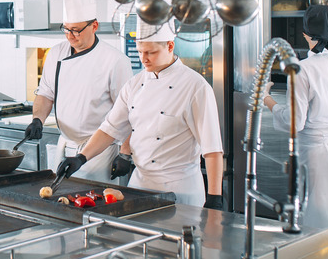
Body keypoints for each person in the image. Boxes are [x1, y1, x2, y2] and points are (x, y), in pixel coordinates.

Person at [56, 20, 224, 208]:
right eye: (140, 52)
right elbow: (109, 129)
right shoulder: (134, 85)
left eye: (151, 53)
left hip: (180, 188)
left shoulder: (196, 87)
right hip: (140, 184)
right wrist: (81, 157)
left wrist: (215, 197)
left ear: (170, 46)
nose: (143, 59)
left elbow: (212, 149)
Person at [262, 5, 328, 234]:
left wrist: (267, 99)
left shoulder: (301, 70)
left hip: (320, 154)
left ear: (305, 34)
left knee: (320, 227)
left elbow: (294, 122)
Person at [24, 0, 132, 184]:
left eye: (76, 30)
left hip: (99, 152)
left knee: (92, 206)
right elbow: (46, 93)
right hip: (64, 146)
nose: (70, 36)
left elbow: (128, 113)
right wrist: (37, 118)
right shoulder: (56, 53)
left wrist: (125, 152)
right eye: (66, 29)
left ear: (95, 25)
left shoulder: (115, 61)